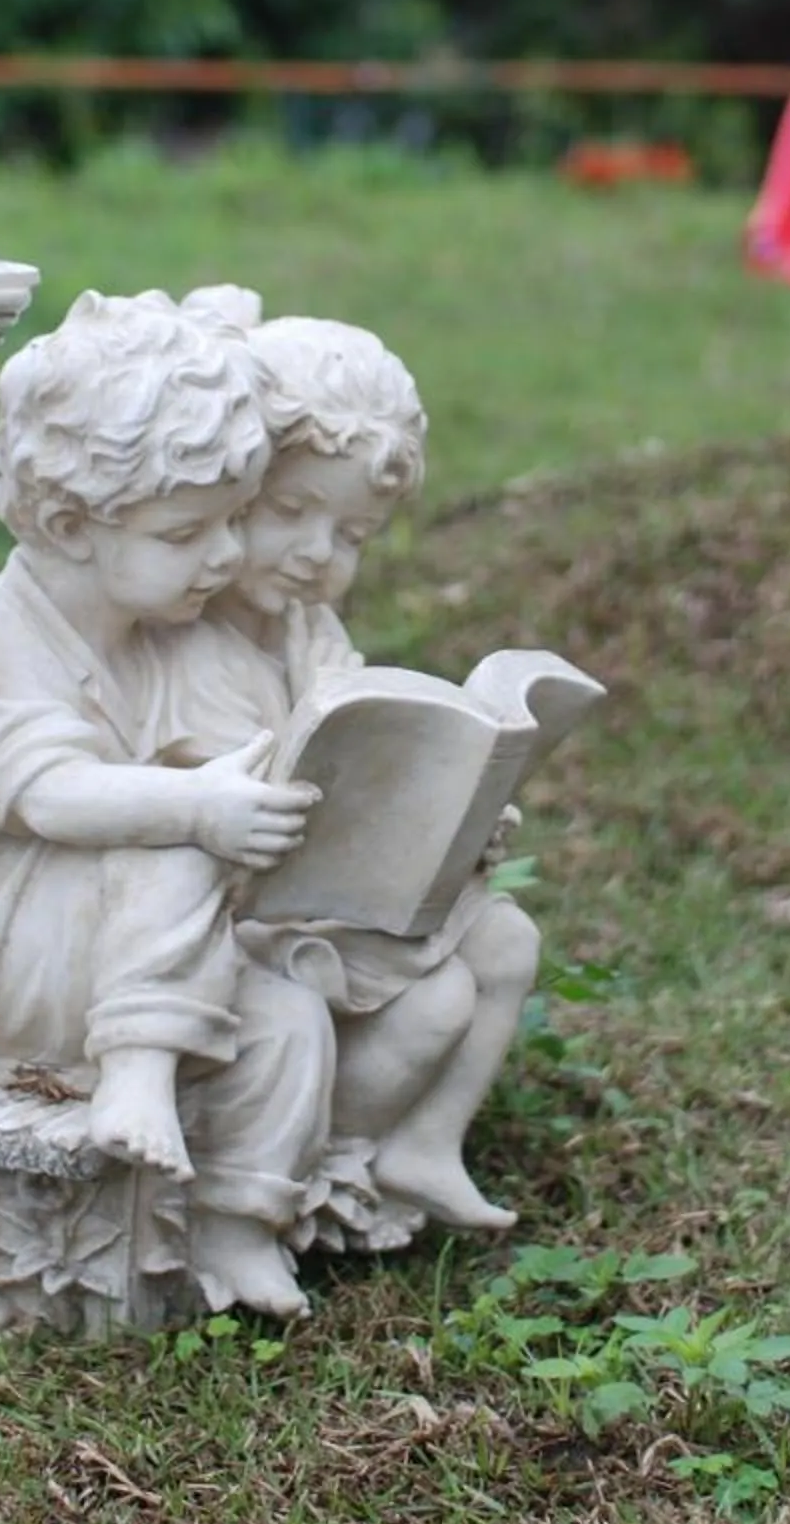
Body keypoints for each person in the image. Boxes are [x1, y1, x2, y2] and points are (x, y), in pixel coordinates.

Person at [0, 290, 335, 1316]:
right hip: (33, 948)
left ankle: (237, 1224)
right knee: (176, 824)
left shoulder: (170, 633)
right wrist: (199, 808)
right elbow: (49, 792)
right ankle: (133, 1068)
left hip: (163, 956)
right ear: (71, 524)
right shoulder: (4, 634)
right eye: (189, 531)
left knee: (292, 1018)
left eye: (234, 523)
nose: (224, 558)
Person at [190, 294, 547, 1234]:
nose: (318, 554)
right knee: (439, 1002)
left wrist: (453, 811)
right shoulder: (176, 640)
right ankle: (309, 1165)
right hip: (234, 922)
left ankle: (424, 1144)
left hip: (330, 899)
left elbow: (366, 745)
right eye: (293, 512)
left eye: (350, 536)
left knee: (508, 943)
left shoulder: (311, 629)